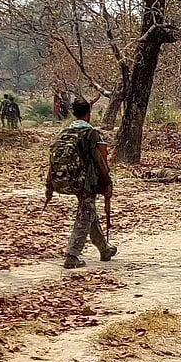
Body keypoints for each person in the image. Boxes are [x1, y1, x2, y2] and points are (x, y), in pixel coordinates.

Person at [46, 99, 116, 268]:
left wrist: (49, 185)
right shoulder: (90, 133)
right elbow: (99, 160)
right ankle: (72, 254)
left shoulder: (64, 131)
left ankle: (104, 248)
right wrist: (107, 181)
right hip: (85, 181)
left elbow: (53, 159)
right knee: (85, 213)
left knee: (88, 210)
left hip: (65, 177)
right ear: (88, 113)